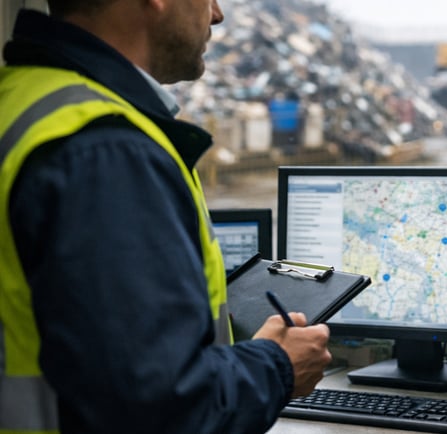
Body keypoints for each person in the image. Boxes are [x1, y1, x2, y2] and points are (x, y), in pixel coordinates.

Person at [0, 1, 332, 432]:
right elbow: (159, 406)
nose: (216, 14)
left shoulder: (22, 99)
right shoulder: (107, 149)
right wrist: (278, 365)